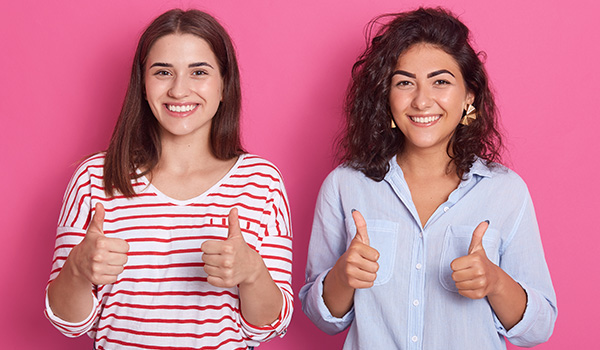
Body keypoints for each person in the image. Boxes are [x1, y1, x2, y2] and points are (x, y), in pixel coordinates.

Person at [299, 7, 556, 350]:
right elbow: (321, 319)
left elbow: (539, 329)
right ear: (385, 97)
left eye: (441, 82)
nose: (421, 101)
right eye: (405, 83)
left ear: (469, 96)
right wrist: (343, 276)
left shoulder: (506, 191)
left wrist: (495, 281)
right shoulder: (344, 185)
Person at [45, 9, 292, 350]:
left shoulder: (260, 181)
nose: (179, 90)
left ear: (224, 85)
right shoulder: (94, 177)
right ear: (143, 86)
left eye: (198, 72)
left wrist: (252, 273)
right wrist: (76, 269)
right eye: (163, 72)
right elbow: (67, 322)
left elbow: (268, 327)